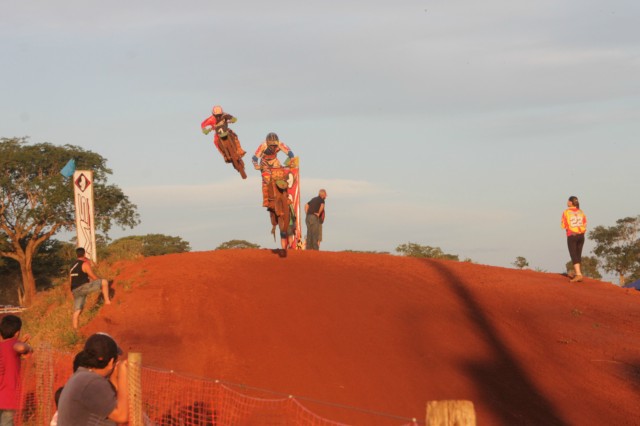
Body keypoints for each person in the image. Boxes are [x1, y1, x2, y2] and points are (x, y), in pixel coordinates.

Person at [57, 333, 128, 425]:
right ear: (111, 362)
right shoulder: (92, 382)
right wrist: (123, 374)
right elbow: (122, 416)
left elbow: (111, 405)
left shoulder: (82, 377)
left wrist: (114, 379)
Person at [0, 315, 33, 426]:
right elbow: (21, 348)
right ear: (17, 332)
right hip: (8, 399)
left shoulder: (3, 346)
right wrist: (28, 347)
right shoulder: (14, 345)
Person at [70, 248, 112, 330]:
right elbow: (93, 276)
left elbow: (70, 280)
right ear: (84, 254)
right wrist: (100, 280)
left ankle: (75, 330)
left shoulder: (72, 266)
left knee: (77, 311)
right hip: (83, 287)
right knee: (104, 282)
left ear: (76, 254)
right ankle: (107, 302)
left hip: (75, 290)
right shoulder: (85, 264)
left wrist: (71, 292)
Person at [252, 132, 295, 208]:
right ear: (268, 143)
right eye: (271, 145)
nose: (273, 147)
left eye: (274, 145)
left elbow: (289, 151)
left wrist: (292, 158)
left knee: (283, 176)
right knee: (266, 179)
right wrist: (256, 165)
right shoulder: (263, 145)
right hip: (264, 163)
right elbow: (255, 157)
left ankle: (286, 196)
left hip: (275, 161)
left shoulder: (280, 144)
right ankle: (266, 200)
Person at [561, 195, 587, 282]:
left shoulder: (566, 212)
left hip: (572, 235)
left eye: (568, 201)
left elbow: (563, 225)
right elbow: (585, 223)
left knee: (573, 254)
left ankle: (578, 274)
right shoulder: (581, 211)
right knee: (578, 254)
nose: (567, 202)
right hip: (581, 235)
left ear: (571, 202)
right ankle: (578, 273)